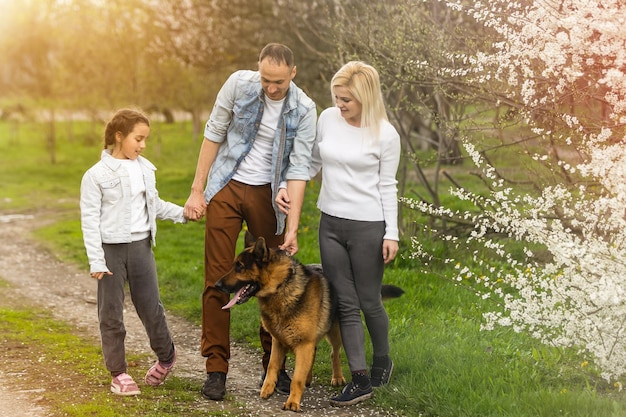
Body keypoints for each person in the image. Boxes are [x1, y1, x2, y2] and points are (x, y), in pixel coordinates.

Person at [183, 43, 317, 401]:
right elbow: (213, 133)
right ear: (257, 70)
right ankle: (216, 368)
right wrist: (198, 191)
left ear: (293, 72)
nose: (271, 88)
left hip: (268, 196)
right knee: (217, 277)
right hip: (227, 185)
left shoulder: (304, 109)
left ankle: (273, 367)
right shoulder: (238, 85)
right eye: (265, 79)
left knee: (271, 283)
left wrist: (291, 228)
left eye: (278, 82)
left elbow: (300, 168)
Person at [294, 61, 401, 406]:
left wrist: (392, 233)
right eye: (337, 98)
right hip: (330, 224)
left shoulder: (386, 134)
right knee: (347, 303)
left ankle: (382, 359)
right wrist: (288, 186)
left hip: (368, 227)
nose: (339, 105)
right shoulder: (327, 119)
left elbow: (388, 185)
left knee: (369, 301)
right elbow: (313, 161)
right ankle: (359, 379)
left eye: (347, 100)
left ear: (366, 98)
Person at [80, 109, 187, 396]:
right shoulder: (96, 175)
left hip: (141, 248)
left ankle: (167, 357)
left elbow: (155, 205)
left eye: (145, 140)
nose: (142, 145)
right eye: (138, 139)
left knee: (151, 309)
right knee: (111, 314)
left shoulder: (144, 169)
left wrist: (184, 213)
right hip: (110, 251)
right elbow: (89, 220)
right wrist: (96, 260)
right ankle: (119, 372)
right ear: (119, 136)